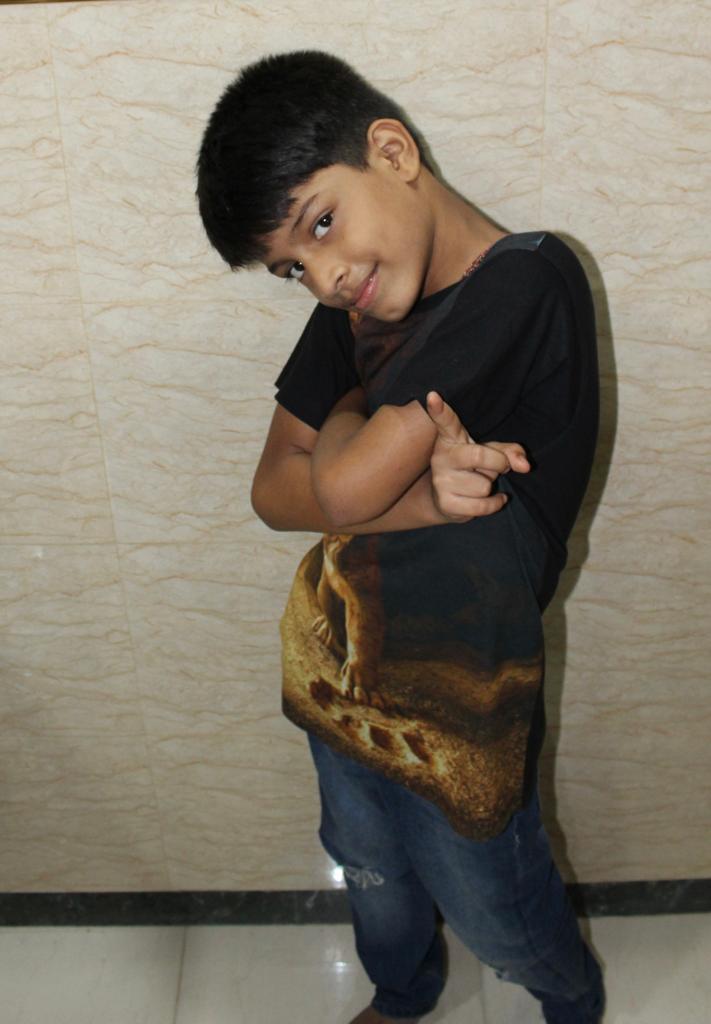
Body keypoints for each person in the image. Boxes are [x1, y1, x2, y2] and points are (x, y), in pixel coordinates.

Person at [196, 50, 605, 1024]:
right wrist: (418, 497)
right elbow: (272, 492)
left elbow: (333, 485)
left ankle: (571, 1002)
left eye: (320, 223)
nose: (325, 277)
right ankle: (405, 991)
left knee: (496, 902)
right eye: (293, 268)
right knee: (367, 864)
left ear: (392, 151)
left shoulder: (526, 280)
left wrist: (347, 435)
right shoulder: (358, 300)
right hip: (341, 657)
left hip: (466, 693)